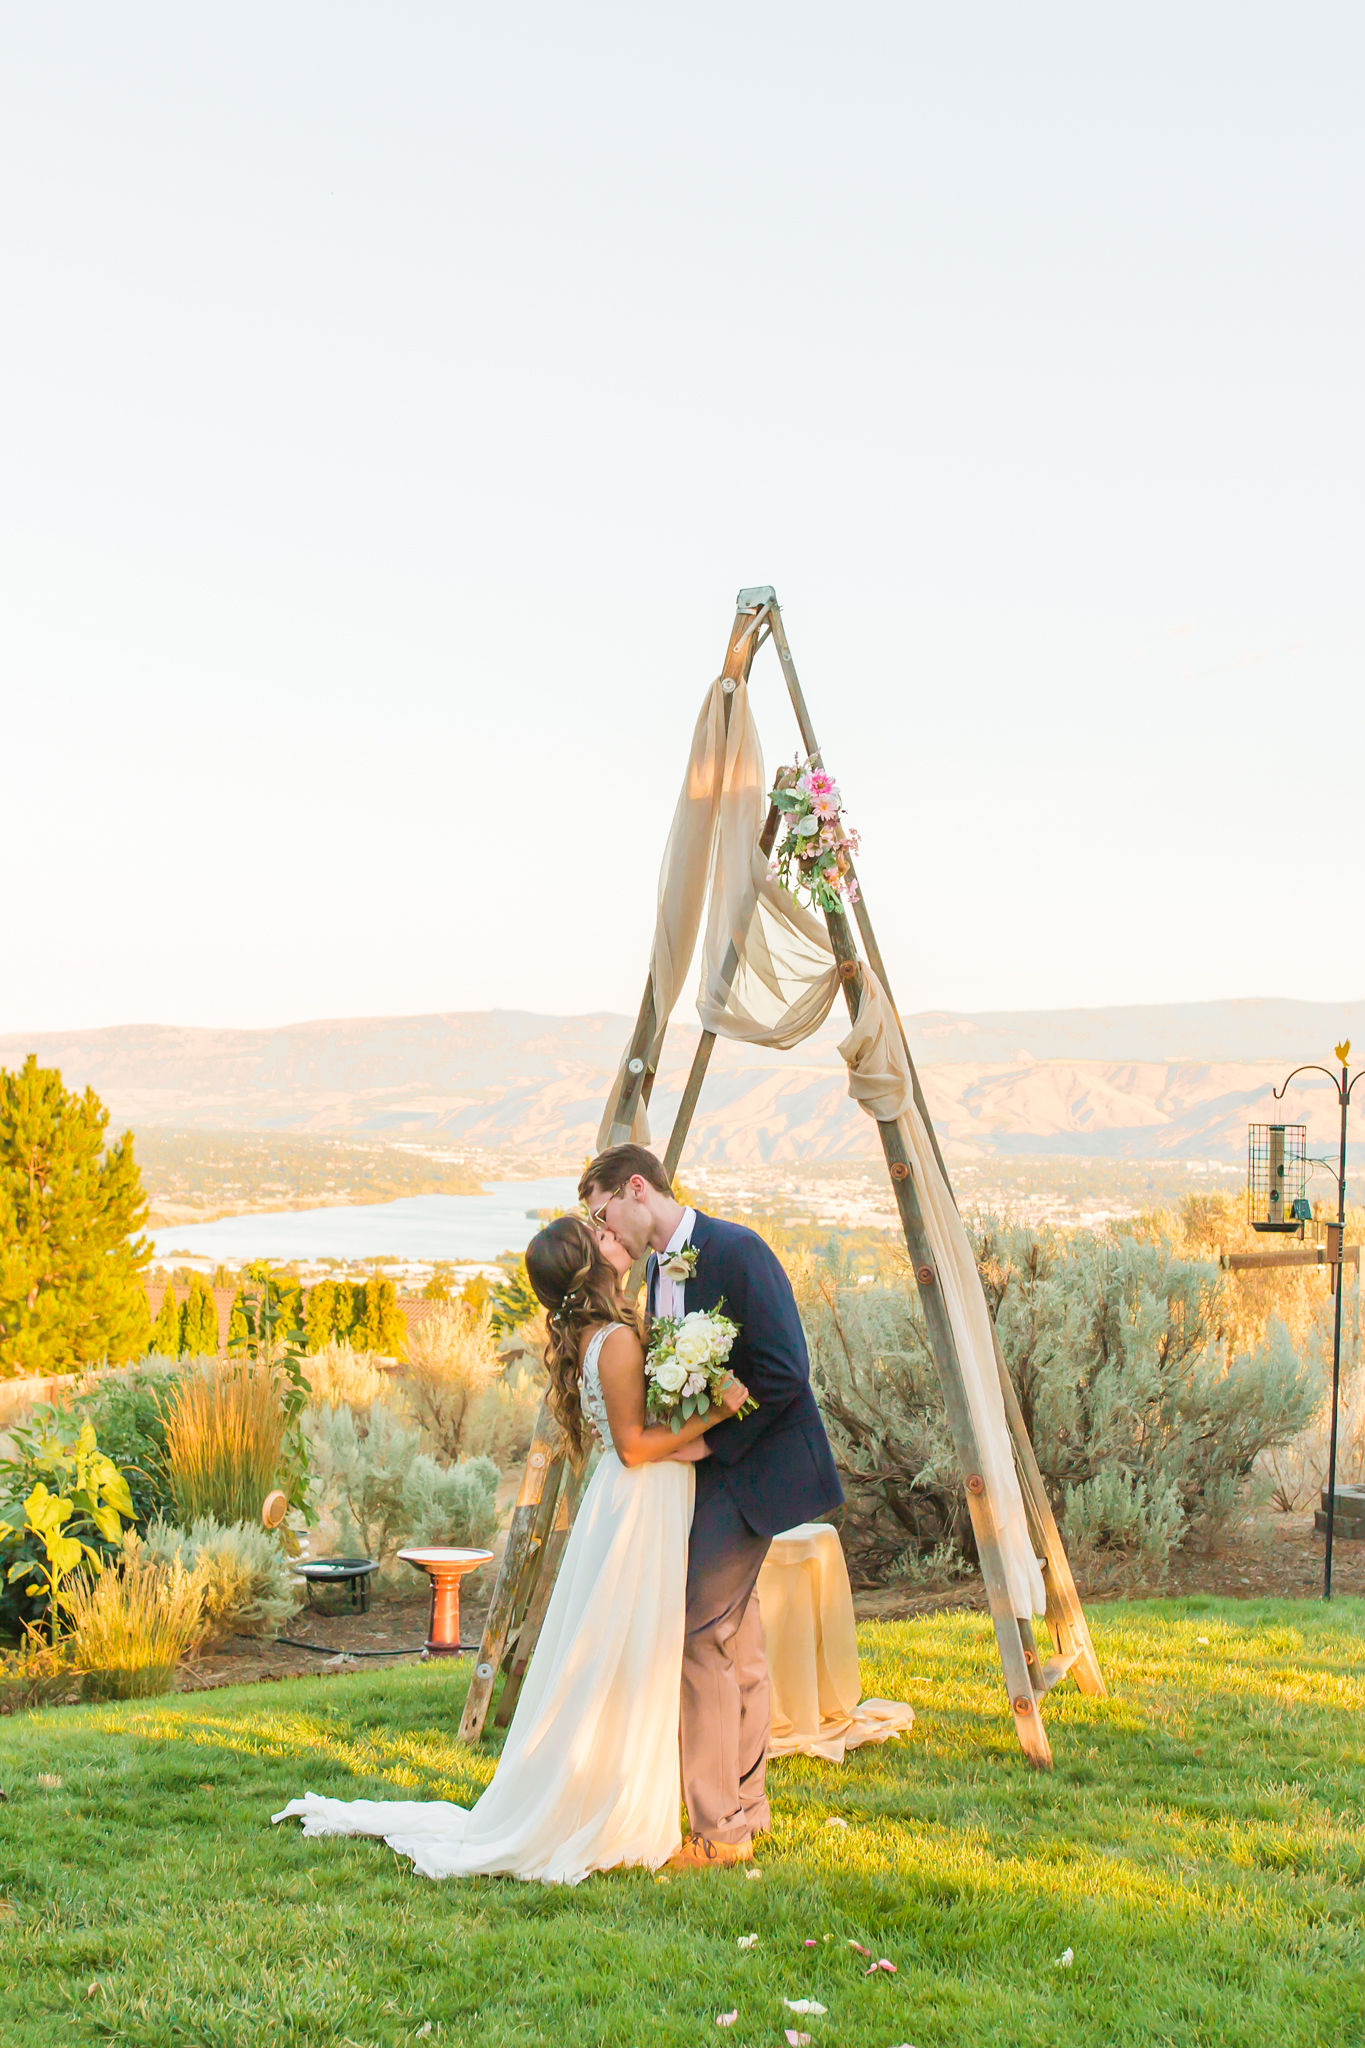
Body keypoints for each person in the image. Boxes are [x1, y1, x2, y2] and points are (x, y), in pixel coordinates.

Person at [272, 1213, 748, 1885]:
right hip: (637, 1501)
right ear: (591, 1266)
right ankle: (607, 1803)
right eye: (602, 1236)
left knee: (631, 1646)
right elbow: (636, 1447)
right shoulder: (611, 1341)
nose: (616, 1236)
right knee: (626, 1648)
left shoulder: (605, 1332)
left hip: (641, 1496)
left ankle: (625, 1787)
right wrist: (717, 1413)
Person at [579, 1143, 843, 1871]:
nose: (607, 1232)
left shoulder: (736, 1250)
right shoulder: (658, 1273)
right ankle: (744, 1808)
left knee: (700, 1638)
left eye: (606, 1214)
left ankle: (718, 1832)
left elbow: (785, 1373)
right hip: (707, 1475)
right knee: (739, 1642)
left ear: (637, 1189)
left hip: (748, 1471)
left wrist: (709, 1447)